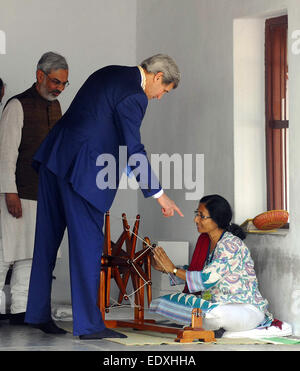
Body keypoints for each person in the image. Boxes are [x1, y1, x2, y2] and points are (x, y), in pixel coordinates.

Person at [25, 54, 183, 339]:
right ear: (157, 77)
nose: (160, 97)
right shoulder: (136, 96)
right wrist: (159, 195)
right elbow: (134, 149)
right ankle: (88, 325)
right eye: (164, 92)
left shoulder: (110, 70)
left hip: (56, 158)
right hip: (84, 172)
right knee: (87, 247)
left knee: (46, 241)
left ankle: (36, 312)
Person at [0, 52, 69, 326]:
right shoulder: (17, 105)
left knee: (30, 256)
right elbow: (6, 154)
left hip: (45, 195)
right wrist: (9, 191)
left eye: (63, 84)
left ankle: (20, 311)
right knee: (5, 255)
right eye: (55, 81)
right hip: (16, 194)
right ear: (39, 75)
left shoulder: (57, 107)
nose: (59, 88)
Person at [150, 194, 276, 336]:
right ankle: (211, 325)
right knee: (163, 303)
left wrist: (172, 269)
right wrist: (165, 268)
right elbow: (196, 271)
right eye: (196, 214)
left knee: (212, 314)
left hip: (244, 308)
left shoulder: (231, 245)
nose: (196, 219)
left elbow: (206, 278)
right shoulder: (206, 242)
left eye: (201, 216)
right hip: (215, 303)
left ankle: (210, 324)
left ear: (217, 219)